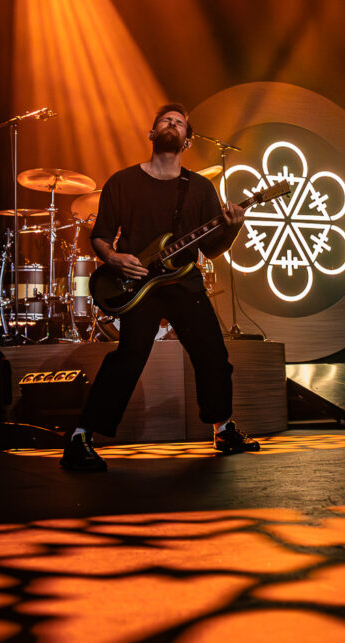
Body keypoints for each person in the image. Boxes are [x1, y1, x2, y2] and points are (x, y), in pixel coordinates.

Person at [62, 104, 258, 471]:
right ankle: (81, 438)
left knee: (213, 354)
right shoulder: (122, 182)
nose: (172, 124)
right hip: (139, 286)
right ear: (152, 133)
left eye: (179, 123)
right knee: (129, 357)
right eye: (165, 120)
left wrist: (233, 227)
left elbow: (212, 248)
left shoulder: (199, 187)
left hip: (184, 283)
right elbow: (100, 236)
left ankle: (223, 430)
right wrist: (114, 258)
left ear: (187, 140)